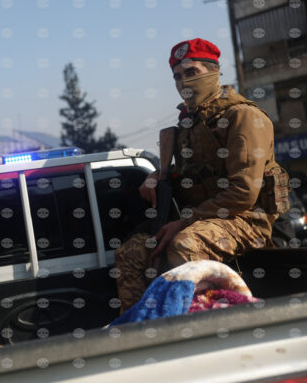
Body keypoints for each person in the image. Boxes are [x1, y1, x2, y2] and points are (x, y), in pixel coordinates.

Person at [114, 38, 288, 314]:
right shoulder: (189, 126)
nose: (183, 81)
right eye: (177, 76)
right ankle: (141, 328)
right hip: (201, 221)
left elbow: (243, 192)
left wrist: (184, 222)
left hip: (246, 221)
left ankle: (204, 328)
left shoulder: (243, 117)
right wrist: (157, 176)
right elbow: (192, 174)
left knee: (185, 245)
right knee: (131, 252)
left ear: (214, 72)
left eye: (191, 72)